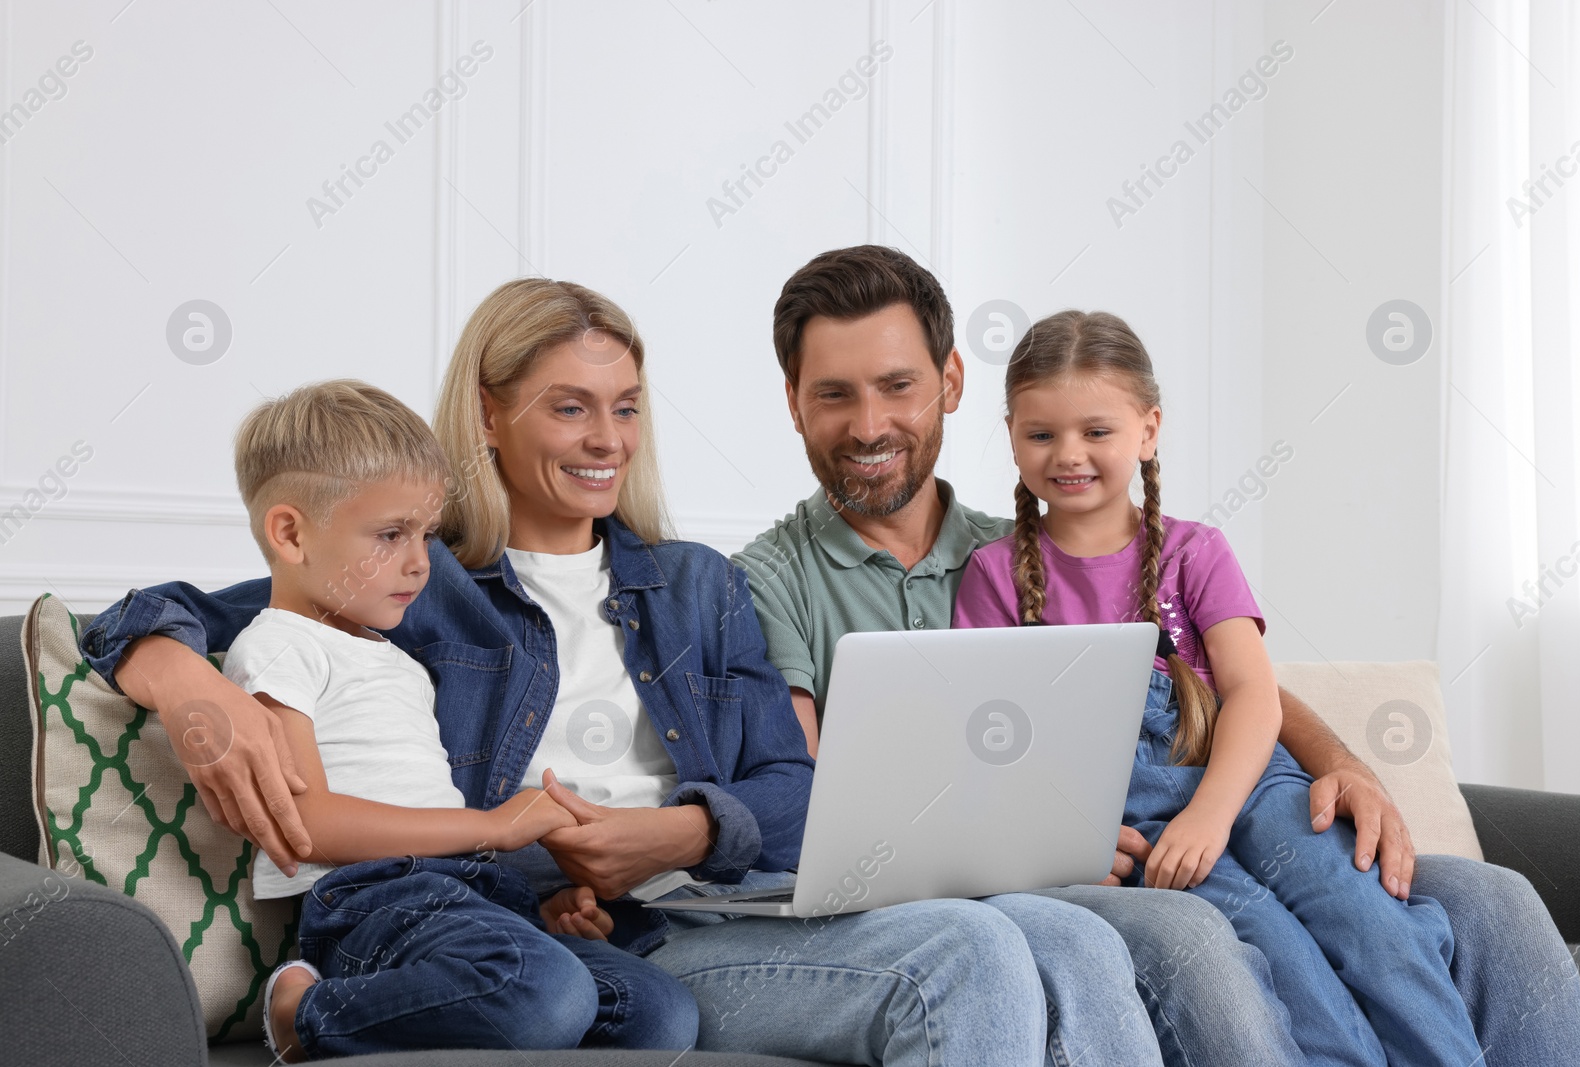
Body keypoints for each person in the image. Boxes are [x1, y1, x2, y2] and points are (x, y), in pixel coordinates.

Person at [80, 278, 1158, 1067]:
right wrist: (188, 683)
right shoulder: (417, 581)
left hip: (725, 897)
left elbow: (795, 791)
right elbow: (169, 612)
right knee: (965, 952)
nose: (607, 438)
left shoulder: (695, 586)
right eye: (569, 406)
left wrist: (685, 830)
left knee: (1068, 931)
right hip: (623, 934)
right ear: (489, 414)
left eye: (626, 405)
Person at [733, 243, 1580, 1066]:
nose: (871, 422)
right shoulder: (774, 578)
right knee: (1213, 932)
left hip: (1214, 793)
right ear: (792, 399)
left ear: (950, 383)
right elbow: (812, 786)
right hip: (1050, 852)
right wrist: (1038, 837)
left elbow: (1230, 684)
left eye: (898, 386)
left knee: (1494, 897)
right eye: (836, 394)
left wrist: (1345, 764)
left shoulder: (1041, 538)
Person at [950, 309, 1485, 1065]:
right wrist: (1066, 836)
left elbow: (1253, 693)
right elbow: (995, 739)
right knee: (1275, 957)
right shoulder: (992, 575)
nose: (1069, 454)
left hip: (1245, 776)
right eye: (1042, 434)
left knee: (1372, 924)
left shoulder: (1196, 552)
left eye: (1096, 431)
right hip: (1131, 807)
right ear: (1011, 434)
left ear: (1149, 428)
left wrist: (1209, 812)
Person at [219, 379, 697, 1060]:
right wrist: (493, 826)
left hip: (469, 891)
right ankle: (309, 1013)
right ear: (291, 534)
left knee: (661, 1015)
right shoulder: (276, 646)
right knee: (549, 994)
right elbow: (308, 825)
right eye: (391, 535)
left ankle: (510, 979)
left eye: (427, 533)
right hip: (372, 904)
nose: (420, 562)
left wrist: (543, 913)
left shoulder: (397, 658)